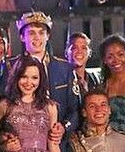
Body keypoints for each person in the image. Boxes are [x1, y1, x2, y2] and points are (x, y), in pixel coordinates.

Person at [9, 11, 78, 140]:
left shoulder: (65, 68)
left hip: (57, 141)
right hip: (23, 143)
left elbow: (75, 109)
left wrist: (64, 126)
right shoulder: (11, 67)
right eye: (31, 33)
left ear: (48, 36)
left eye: (41, 33)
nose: (37, 38)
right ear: (22, 37)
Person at [65, 32, 101, 106]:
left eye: (84, 48)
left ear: (89, 53)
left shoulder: (95, 80)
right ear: (66, 52)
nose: (79, 51)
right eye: (74, 48)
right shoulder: (61, 81)